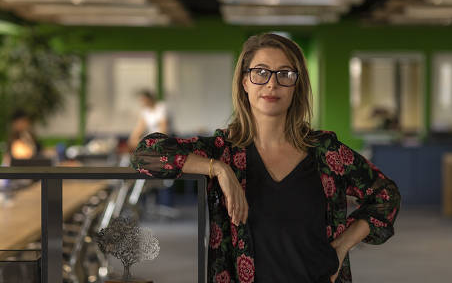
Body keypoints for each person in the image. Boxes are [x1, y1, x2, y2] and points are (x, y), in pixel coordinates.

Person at [131, 33, 401, 283]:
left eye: (285, 73)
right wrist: (219, 169)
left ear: (297, 85)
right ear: (245, 82)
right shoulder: (223, 149)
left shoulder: (325, 151)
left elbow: (385, 195)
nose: (272, 83)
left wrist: (342, 247)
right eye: (260, 72)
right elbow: (146, 153)